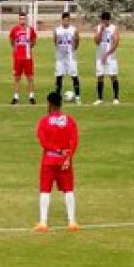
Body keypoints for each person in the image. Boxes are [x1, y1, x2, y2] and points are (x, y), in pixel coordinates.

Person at [35, 91, 79, 232]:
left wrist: (56, 150)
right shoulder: (70, 120)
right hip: (65, 160)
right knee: (68, 190)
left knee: (45, 190)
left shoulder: (44, 121)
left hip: (49, 160)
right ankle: (72, 222)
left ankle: (43, 222)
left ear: (50, 104)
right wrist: (68, 156)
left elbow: (43, 142)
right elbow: (75, 141)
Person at [10, 12, 38, 105]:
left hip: (27, 58)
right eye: (21, 19)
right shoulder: (14, 30)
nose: (22, 20)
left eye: (24, 18)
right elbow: (12, 41)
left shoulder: (30, 30)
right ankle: (16, 97)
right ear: (19, 20)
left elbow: (33, 41)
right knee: (17, 78)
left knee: (30, 77)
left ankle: (31, 97)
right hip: (18, 58)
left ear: (26, 20)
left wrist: (29, 47)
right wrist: (17, 50)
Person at [53, 12, 81, 103]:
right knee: (59, 76)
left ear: (69, 20)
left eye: (68, 20)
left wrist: (74, 48)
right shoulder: (57, 30)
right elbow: (55, 41)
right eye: (64, 20)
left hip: (71, 57)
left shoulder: (74, 30)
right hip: (60, 58)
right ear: (62, 20)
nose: (66, 22)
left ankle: (77, 98)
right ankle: (57, 98)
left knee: (74, 76)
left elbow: (77, 42)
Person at [93, 11, 120, 105]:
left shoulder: (114, 28)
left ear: (109, 20)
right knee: (100, 76)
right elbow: (96, 41)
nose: (105, 22)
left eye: (106, 21)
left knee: (113, 76)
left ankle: (116, 98)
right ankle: (99, 98)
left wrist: (107, 54)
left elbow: (116, 43)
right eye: (103, 20)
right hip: (99, 56)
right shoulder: (98, 28)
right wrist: (101, 31)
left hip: (111, 57)